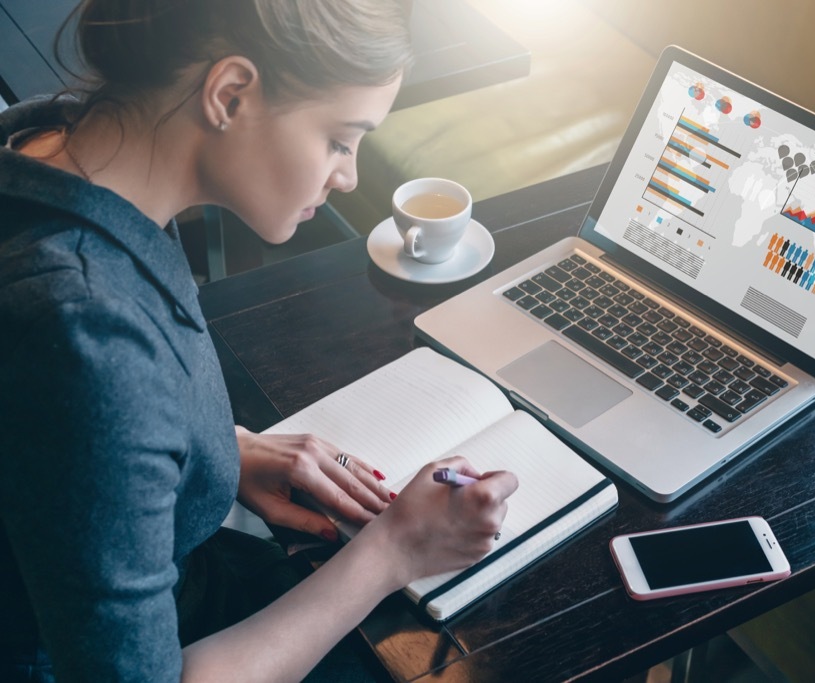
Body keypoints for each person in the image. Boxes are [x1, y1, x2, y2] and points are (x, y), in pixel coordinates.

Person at [0, 1, 518, 681]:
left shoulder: (48, 138)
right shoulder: (87, 331)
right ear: (230, 93)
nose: (350, 176)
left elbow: (44, 432)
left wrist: (215, 448)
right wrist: (393, 552)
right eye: (339, 138)